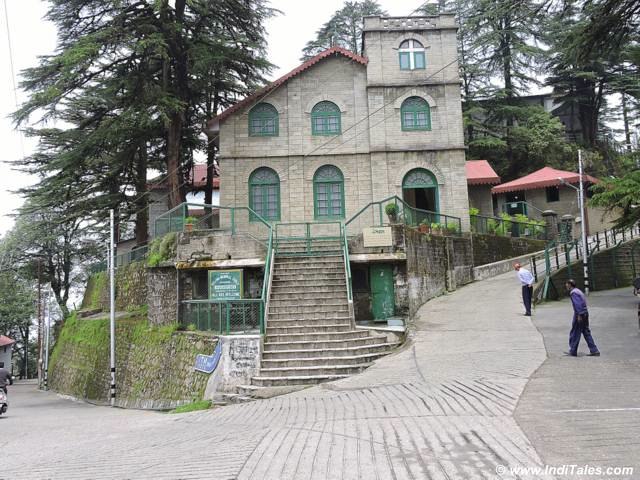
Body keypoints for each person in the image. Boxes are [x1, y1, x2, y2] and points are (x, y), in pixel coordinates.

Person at [564, 279, 600, 357]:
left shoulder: (573, 293)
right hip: (585, 313)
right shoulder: (578, 291)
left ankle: (573, 351)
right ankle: (594, 350)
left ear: (570, 285)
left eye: (567, 284)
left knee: (575, 332)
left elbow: (578, 304)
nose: (566, 286)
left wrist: (579, 315)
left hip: (580, 314)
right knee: (586, 332)